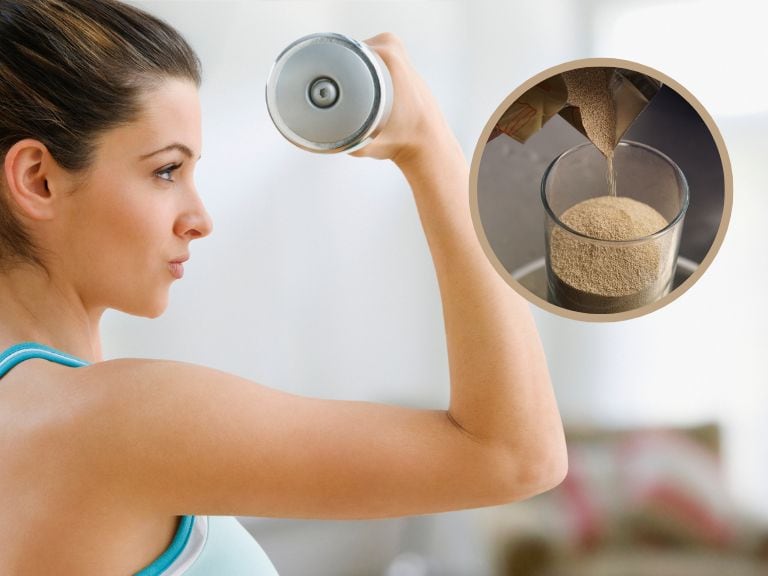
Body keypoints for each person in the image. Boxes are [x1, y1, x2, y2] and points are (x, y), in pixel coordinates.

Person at [0, 0, 567, 574]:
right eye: (165, 171)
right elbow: (518, 456)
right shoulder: (120, 421)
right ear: (37, 179)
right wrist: (430, 146)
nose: (200, 217)